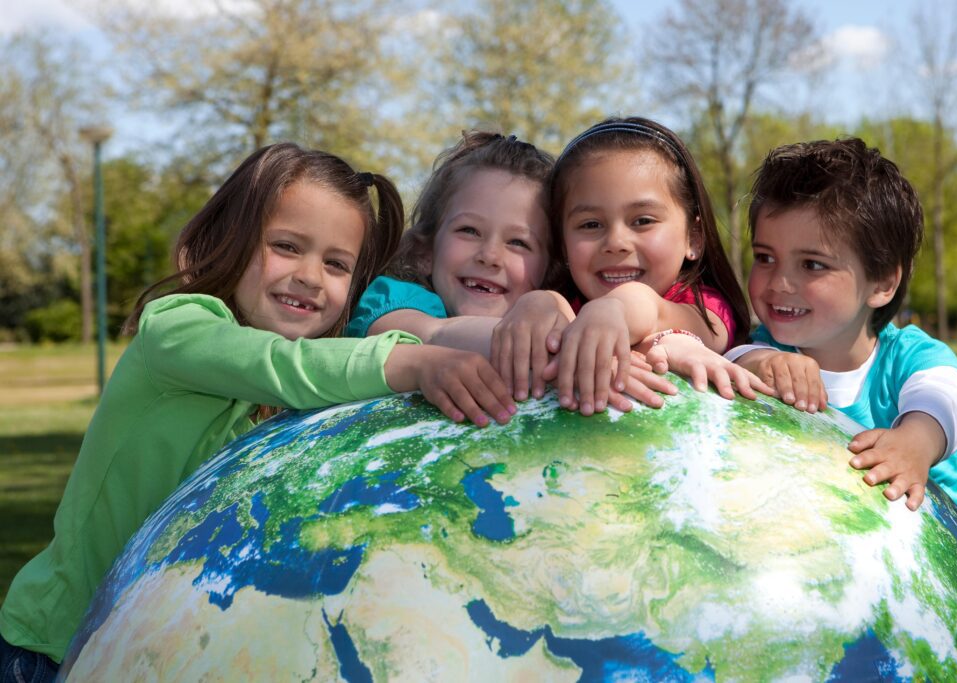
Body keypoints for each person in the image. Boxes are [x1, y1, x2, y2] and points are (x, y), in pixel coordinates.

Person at [0, 143, 515, 679]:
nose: (311, 276)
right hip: (51, 648)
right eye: (288, 246)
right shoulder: (177, 329)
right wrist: (412, 362)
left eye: (336, 264)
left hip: (158, 655)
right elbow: (281, 364)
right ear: (231, 239)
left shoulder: (308, 402)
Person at [726, 138, 957, 534]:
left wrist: (915, 442)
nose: (779, 281)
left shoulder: (909, 358)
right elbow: (727, 362)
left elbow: (949, 397)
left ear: (882, 282)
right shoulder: (761, 353)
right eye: (765, 257)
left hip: (950, 581)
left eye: (812, 264)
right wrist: (755, 361)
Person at [347, 130, 679, 411]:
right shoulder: (393, 299)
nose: (490, 256)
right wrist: (562, 350)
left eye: (519, 243)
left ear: (550, 268)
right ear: (424, 251)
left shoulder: (565, 312)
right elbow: (435, 334)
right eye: (469, 231)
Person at [494, 117, 766, 416]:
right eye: (591, 224)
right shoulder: (566, 302)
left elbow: (654, 312)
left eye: (643, 221)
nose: (616, 242)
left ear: (694, 237)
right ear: (563, 243)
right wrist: (537, 304)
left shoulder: (707, 307)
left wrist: (615, 309)